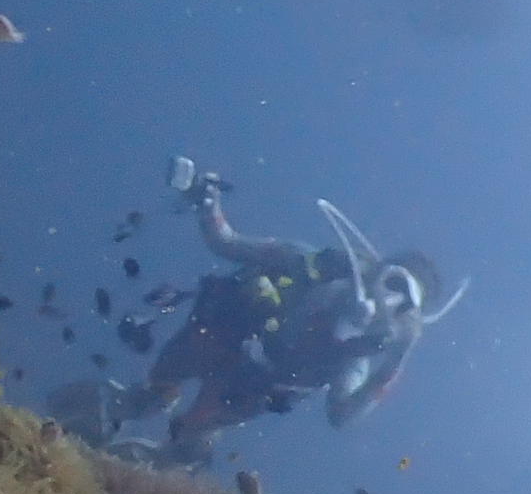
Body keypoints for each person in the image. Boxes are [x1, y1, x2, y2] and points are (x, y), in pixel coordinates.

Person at [79, 158, 466, 462]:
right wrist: (206, 198)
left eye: (405, 303)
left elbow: (341, 416)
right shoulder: (309, 265)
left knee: (187, 445)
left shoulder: (354, 359)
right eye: (393, 282)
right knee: (149, 397)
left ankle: (137, 457)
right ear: (376, 268)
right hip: (219, 332)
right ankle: (101, 414)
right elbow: (226, 242)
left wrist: (396, 358)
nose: (391, 298)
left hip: (250, 385)